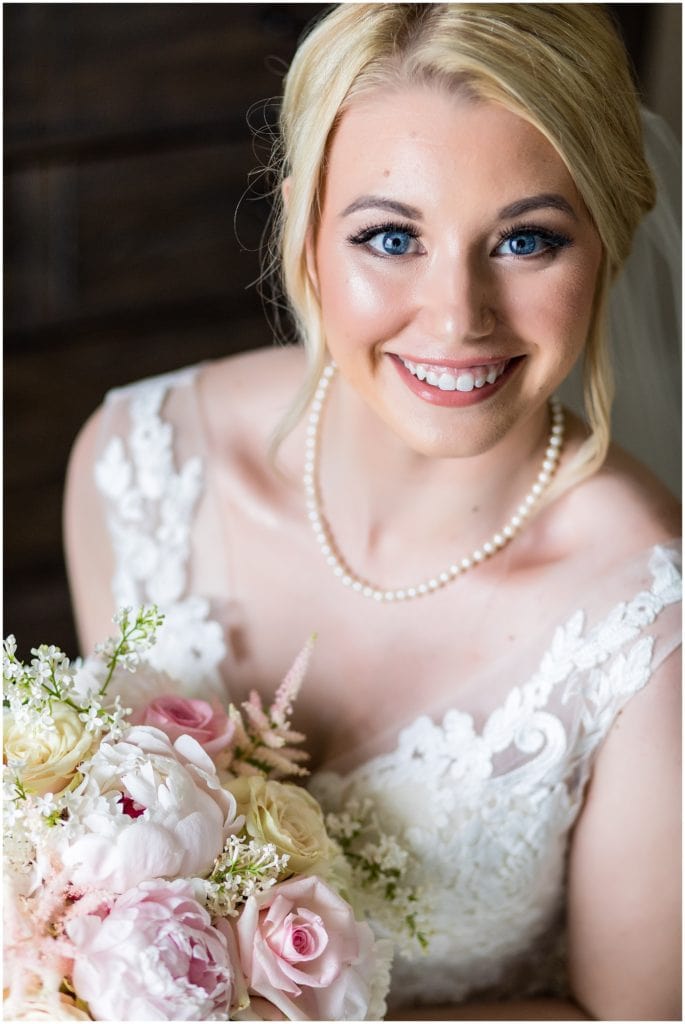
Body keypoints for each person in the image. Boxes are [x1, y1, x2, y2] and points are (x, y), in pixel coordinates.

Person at [64, 4, 681, 1020]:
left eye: (526, 239)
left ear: (609, 236)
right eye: (391, 235)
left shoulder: (649, 617)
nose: (456, 316)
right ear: (305, 228)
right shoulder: (139, 464)